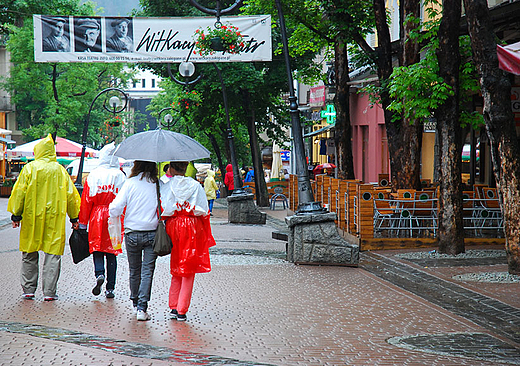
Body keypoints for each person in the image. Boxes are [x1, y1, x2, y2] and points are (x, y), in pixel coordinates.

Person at [8, 134, 80, 301]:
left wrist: (16, 214)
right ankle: (49, 292)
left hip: (32, 218)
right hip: (54, 218)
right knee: (52, 254)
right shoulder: (60, 171)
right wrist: (74, 218)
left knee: (29, 252)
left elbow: (19, 192)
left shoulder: (29, 169)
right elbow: (71, 196)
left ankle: (28, 289)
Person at [161, 161, 216, 321]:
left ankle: (173, 305)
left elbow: (164, 208)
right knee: (189, 267)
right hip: (192, 226)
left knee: (176, 264)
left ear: (171, 168)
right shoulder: (195, 186)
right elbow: (203, 210)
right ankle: (182, 309)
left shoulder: (167, 185)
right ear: (186, 168)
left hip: (173, 225)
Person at [109, 161, 159, 321]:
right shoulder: (157, 185)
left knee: (134, 270)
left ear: (136, 166)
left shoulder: (129, 183)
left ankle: (136, 302)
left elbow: (115, 208)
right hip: (152, 232)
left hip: (132, 233)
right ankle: (142, 309)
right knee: (147, 271)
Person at [79, 143, 126, 299]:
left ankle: (100, 273)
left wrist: (82, 223)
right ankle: (110, 288)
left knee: (97, 248)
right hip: (115, 216)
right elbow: (125, 201)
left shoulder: (93, 175)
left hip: (96, 215)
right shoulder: (120, 175)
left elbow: (86, 200)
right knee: (112, 252)